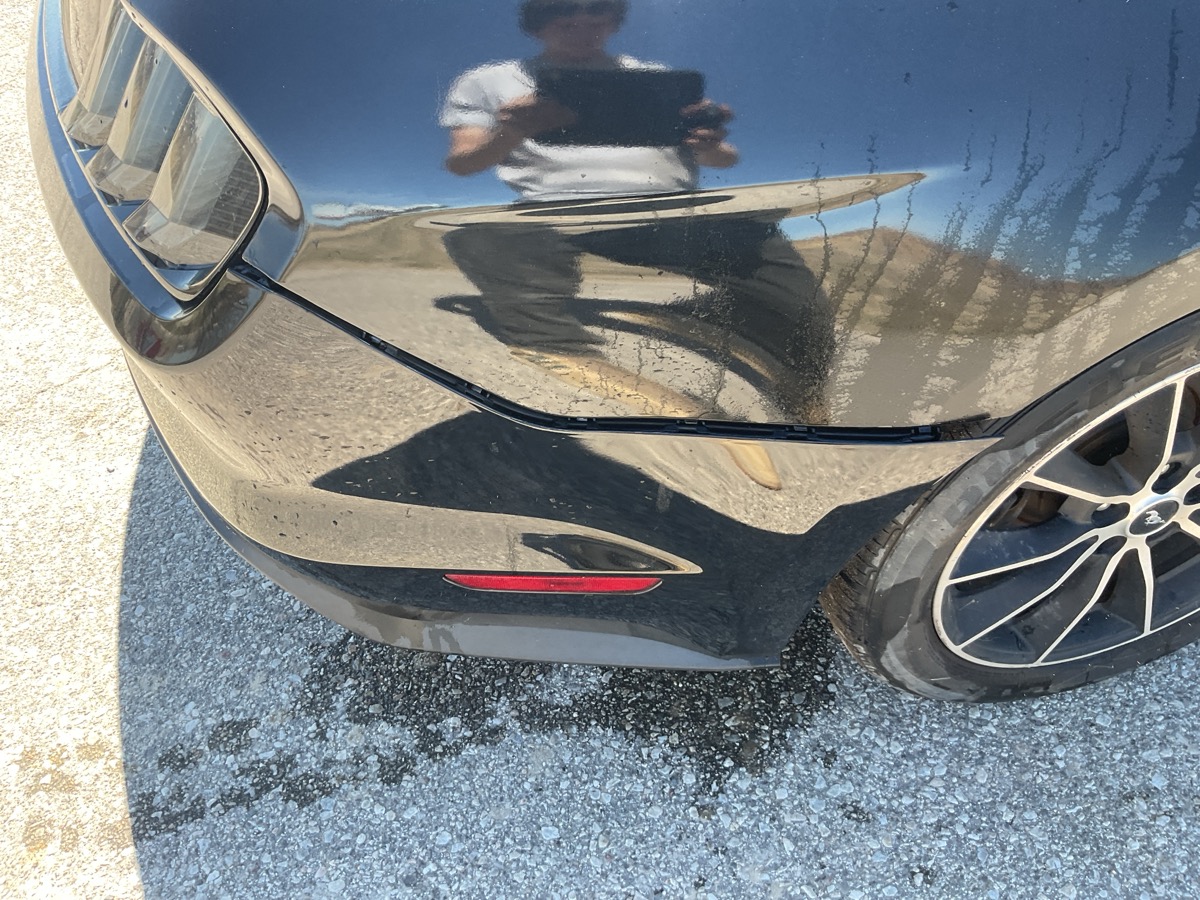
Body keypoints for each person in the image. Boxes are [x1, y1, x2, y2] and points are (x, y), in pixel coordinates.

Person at [438, 0, 832, 421]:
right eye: (561, 7)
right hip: (553, 212)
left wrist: (709, 144)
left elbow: (724, 158)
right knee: (482, 237)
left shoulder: (654, 78)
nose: (581, 18)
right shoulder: (489, 80)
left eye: (596, 7)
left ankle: (803, 390)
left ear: (614, 17)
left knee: (776, 265)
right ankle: (562, 348)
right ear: (535, 20)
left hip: (673, 210)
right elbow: (463, 162)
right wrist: (514, 129)